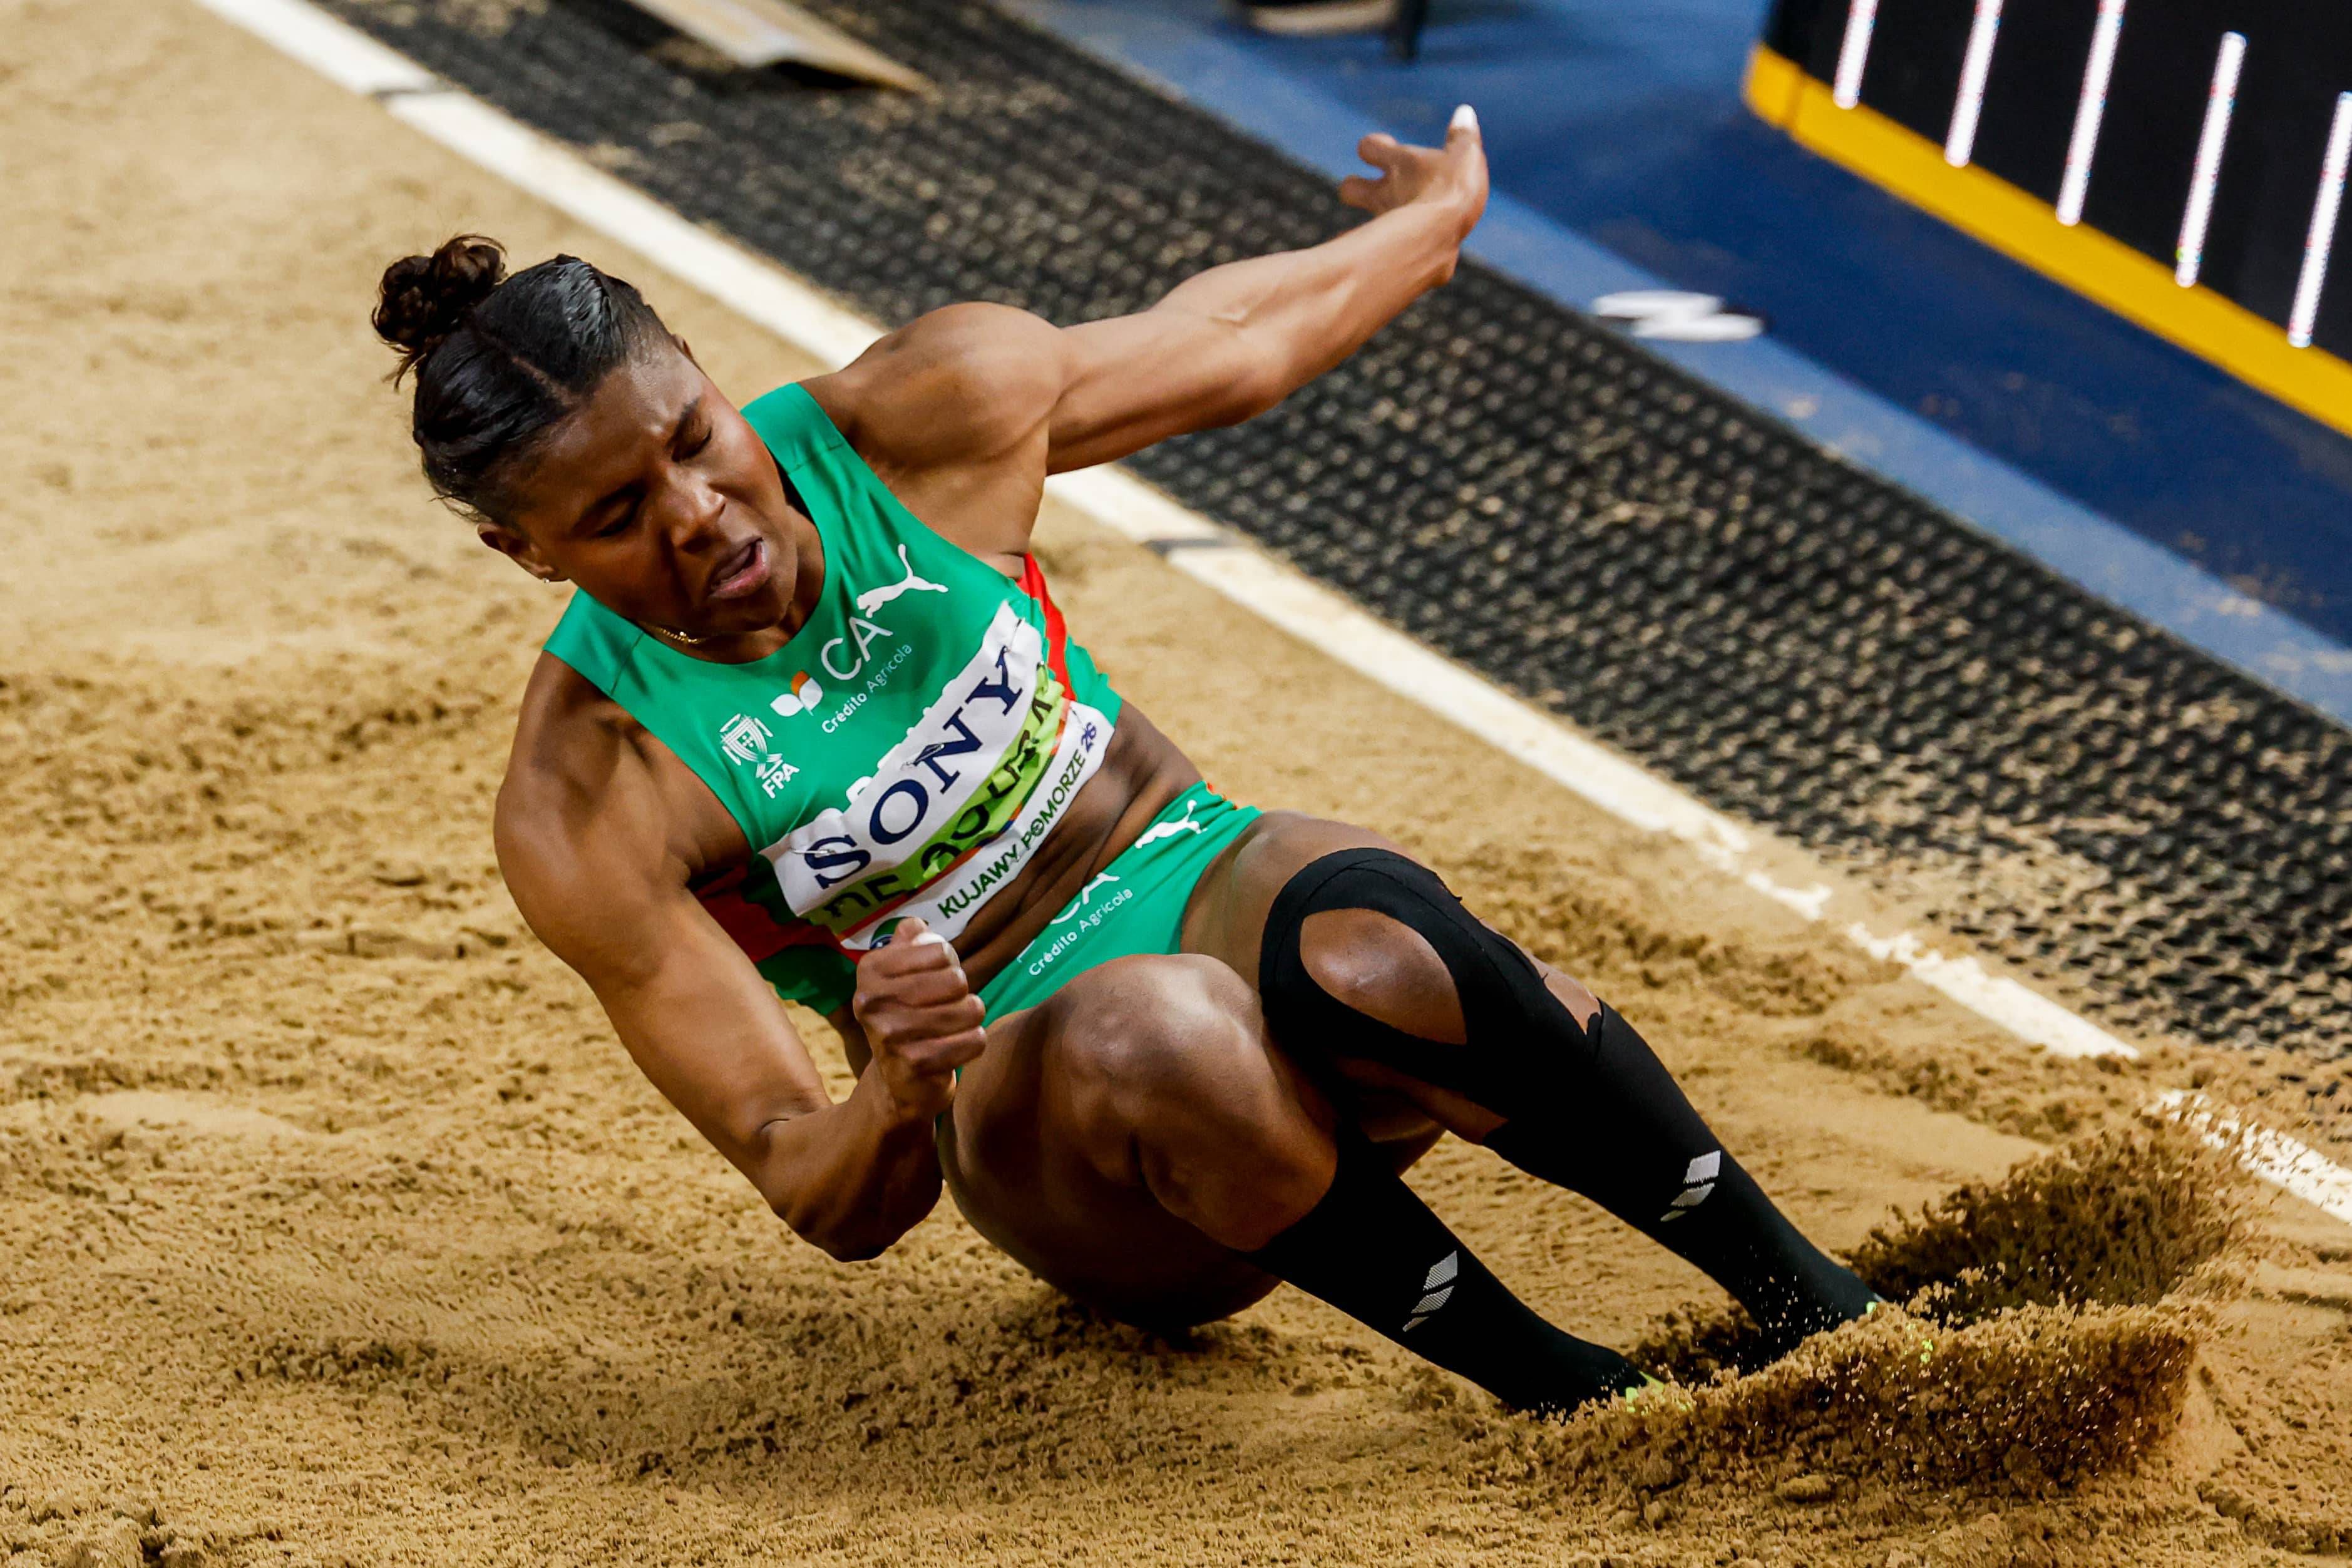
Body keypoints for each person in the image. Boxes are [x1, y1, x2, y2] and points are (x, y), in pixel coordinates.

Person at [371, 106, 1877, 1417]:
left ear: (703, 370)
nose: (701, 514)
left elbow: (1228, 344)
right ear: (527, 551)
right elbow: (809, 1184)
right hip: (1070, 1129)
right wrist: (897, 1080)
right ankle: (1582, 1399)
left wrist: (1433, 224)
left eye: (695, 437)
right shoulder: (591, 797)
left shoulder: (912, 422)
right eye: (620, 515)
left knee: (1385, 936)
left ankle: (1823, 1310)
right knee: (1169, 1028)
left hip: (1194, 870)